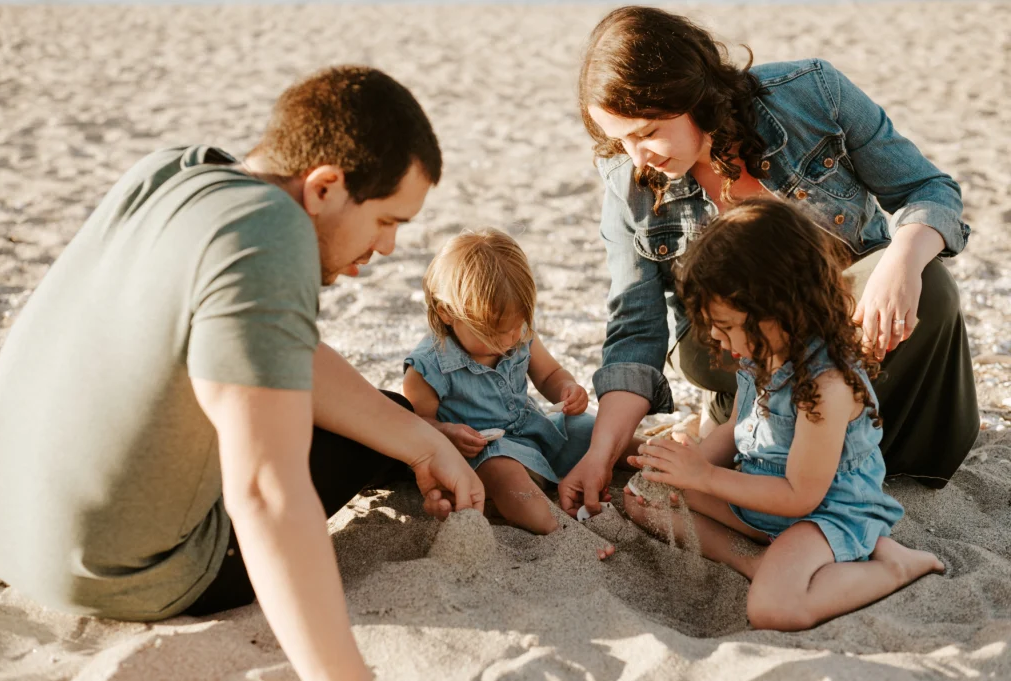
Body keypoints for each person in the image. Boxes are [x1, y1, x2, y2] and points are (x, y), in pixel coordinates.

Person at [0, 66, 484, 681]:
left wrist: (419, 437)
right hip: (124, 577)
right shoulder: (272, 232)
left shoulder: (176, 172)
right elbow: (265, 495)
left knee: (389, 416)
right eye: (387, 220)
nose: (386, 247)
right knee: (366, 431)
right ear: (325, 186)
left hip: (7, 534)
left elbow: (275, 349)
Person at [560, 6, 978, 518]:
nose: (636, 154)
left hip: (844, 315)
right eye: (619, 138)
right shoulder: (628, 177)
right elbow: (636, 330)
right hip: (726, 348)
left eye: (646, 131)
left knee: (931, 287)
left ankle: (829, 452)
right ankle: (753, 431)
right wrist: (599, 457)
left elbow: (928, 188)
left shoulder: (812, 93)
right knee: (714, 341)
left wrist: (902, 260)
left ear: (691, 94)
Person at [624, 199, 944, 630]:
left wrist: (705, 478)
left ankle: (895, 567)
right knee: (643, 496)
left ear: (779, 307)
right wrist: (692, 461)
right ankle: (756, 561)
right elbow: (736, 427)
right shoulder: (760, 352)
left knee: (774, 610)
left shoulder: (826, 385)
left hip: (824, 514)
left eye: (726, 324)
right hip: (763, 500)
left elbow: (800, 496)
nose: (717, 338)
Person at [403, 228, 599, 534]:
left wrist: (568, 389)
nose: (510, 340)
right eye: (495, 332)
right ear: (447, 313)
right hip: (485, 455)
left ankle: (647, 458)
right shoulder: (428, 366)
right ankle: (560, 531)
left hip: (534, 430)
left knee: (592, 428)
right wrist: (447, 431)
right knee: (504, 473)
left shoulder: (517, 333)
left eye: (517, 327)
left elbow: (548, 374)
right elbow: (414, 425)